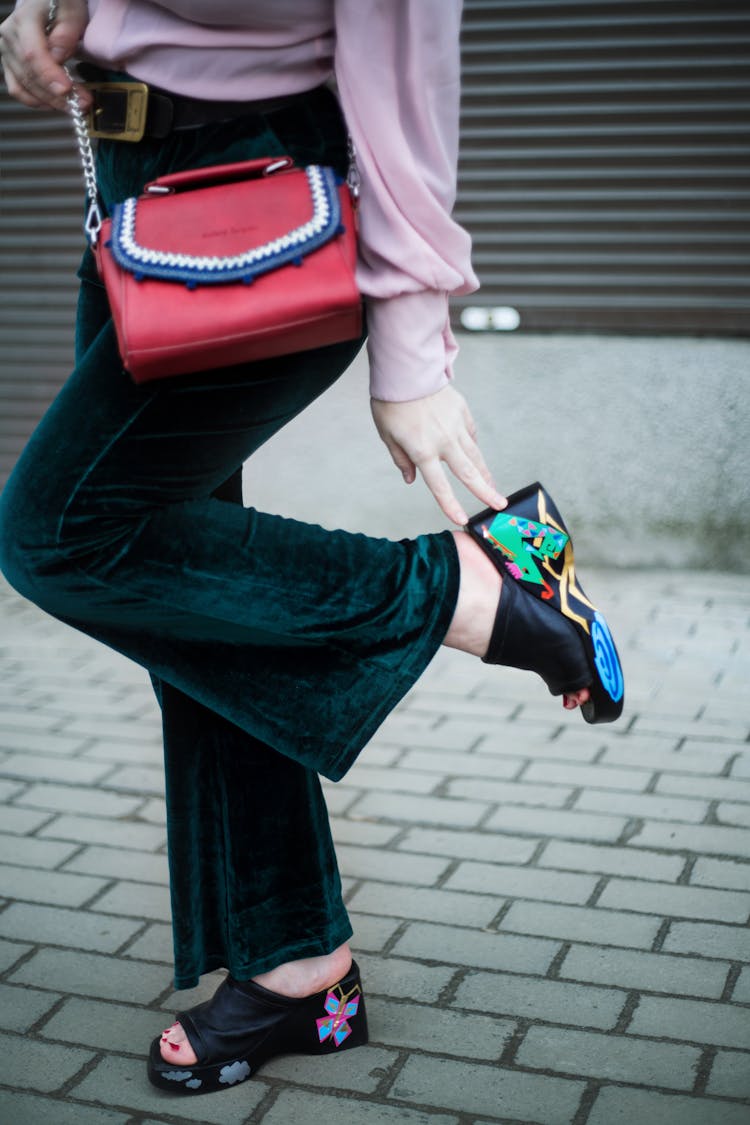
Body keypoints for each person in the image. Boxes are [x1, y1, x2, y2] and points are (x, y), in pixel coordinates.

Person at [0, 0, 622, 1097]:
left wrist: (414, 351)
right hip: (128, 174)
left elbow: (409, 72)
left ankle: (461, 588)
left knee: (61, 531)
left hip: (259, 190)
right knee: (204, 609)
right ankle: (302, 971)